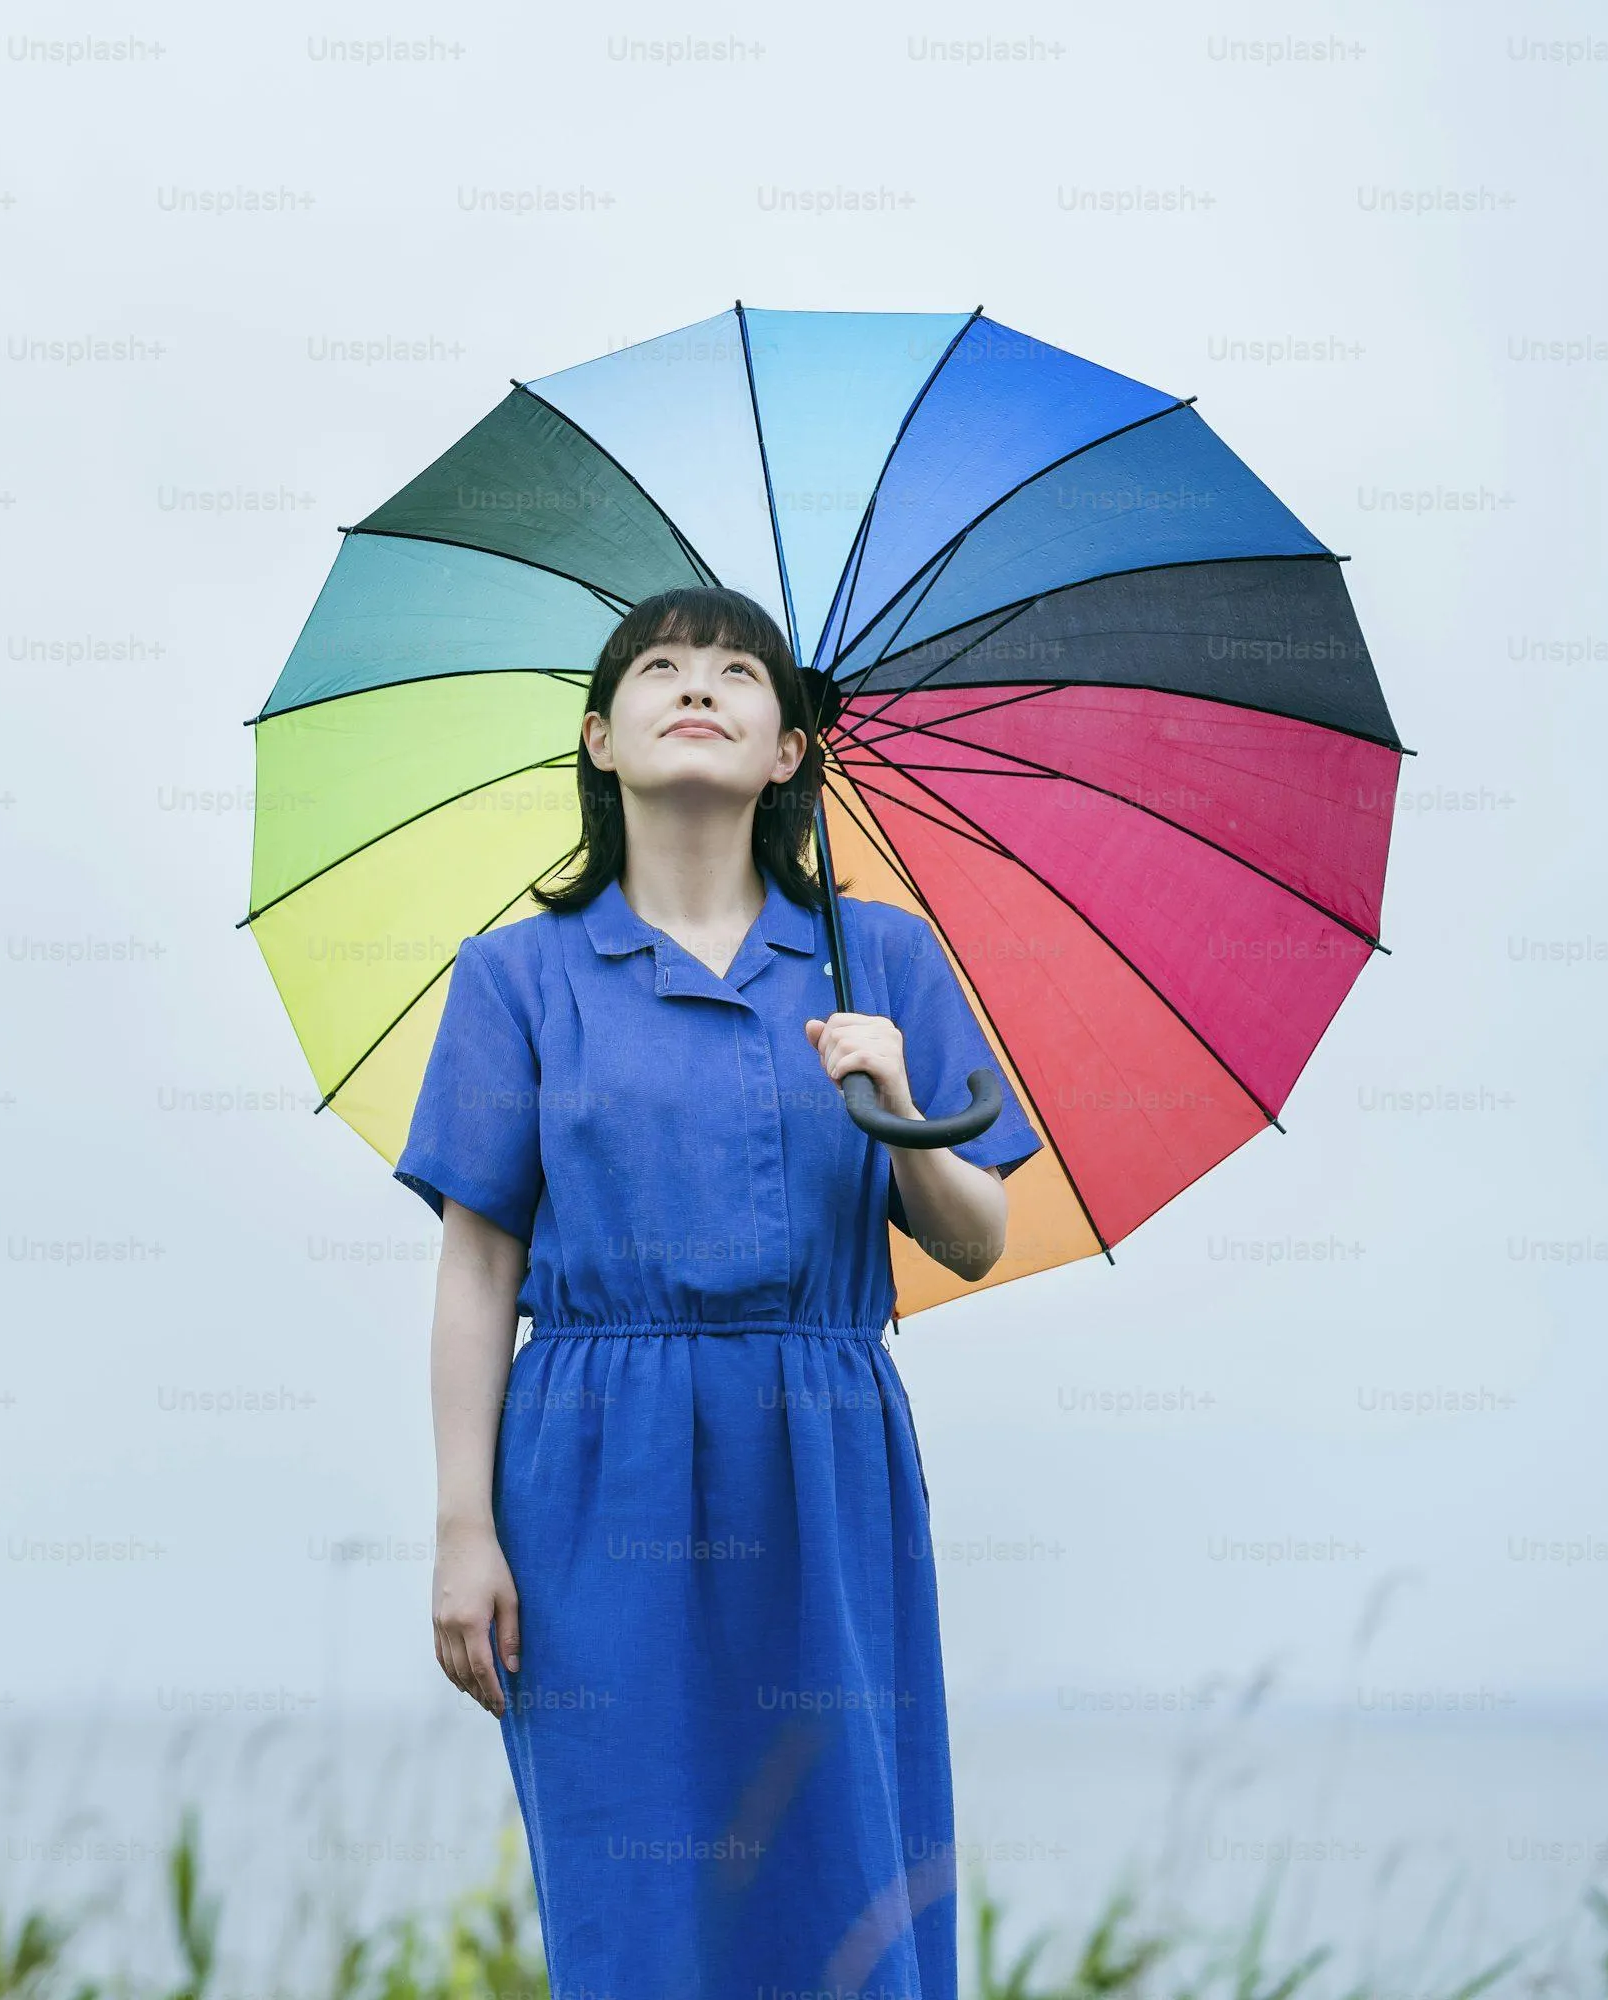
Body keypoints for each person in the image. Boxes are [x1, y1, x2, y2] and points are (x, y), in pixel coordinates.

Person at [395, 585, 1044, 2000]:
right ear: (600, 739)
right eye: (664, 670)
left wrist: (895, 1095)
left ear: (790, 751)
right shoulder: (519, 979)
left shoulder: (885, 962)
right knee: (635, 1887)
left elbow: (978, 1232)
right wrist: (461, 1530)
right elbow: (479, 1265)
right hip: (590, 1469)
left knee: (846, 1864)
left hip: (823, 1451)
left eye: (741, 672)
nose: (701, 685)